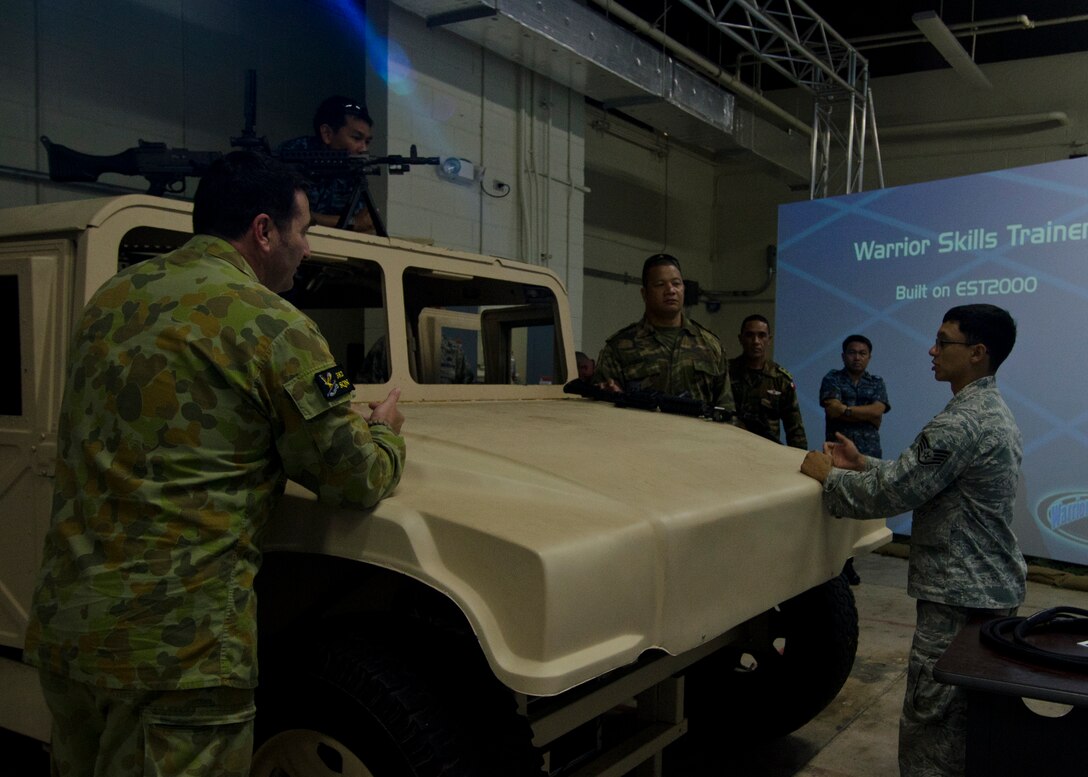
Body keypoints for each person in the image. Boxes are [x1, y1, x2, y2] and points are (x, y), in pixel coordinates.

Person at [23, 150, 406, 777]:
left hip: (70, 633)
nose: (308, 249)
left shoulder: (109, 303)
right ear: (263, 230)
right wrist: (385, 433)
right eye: (304, 230)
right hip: (179, 655)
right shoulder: (273, 325)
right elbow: (353, 477)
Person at [800, 304, 1024, 777]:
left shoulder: (961, 421)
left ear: (978, 353)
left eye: (944, 341)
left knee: (934, 720)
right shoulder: (987, 411)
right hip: (982, 590)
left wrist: (829, 479)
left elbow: (897, 491)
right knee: (966, 719)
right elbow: (923, 476)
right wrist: (863, 465)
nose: (932, 349)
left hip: (958, 596)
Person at [594, 253, 735, 418]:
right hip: (642, 440)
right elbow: (600, 411)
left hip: (698, 441)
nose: (670, 290)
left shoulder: (710, 345)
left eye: (676, 283)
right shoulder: (620, 347)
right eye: (660, 284)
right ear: (644, 294)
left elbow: (726, 409)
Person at [820, 334, 890, 584]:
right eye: (852, 352)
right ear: (843, 355)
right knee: (839, 510)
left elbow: (878, 411)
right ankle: (840, 564)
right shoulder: (832, 378)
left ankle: (850, 560)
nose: (857, 357)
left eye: (862, 353)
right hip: (838, 455)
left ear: (869, 357)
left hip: (868, 456)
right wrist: (865, 414)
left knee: (859, 512)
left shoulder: (877, 382)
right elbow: (832, 409)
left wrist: (846, 411)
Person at [278, 95, 377, 233]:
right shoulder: (293, 155)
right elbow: (284, 215)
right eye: (356, 138)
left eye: (367, 142)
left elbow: (365, 226)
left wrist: (357, 223)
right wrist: (352, 221)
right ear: (327, 134)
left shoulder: (354, 170)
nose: (363, 149)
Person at [729, 313, 807, 448]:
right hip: (729, 446)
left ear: (769, 339)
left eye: (761, 335)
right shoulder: (726, 372)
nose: (756, 341)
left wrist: (800, 459)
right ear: (740, 339)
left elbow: (795, 429)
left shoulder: (781, 379)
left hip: (767, 451)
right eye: (749, 335)